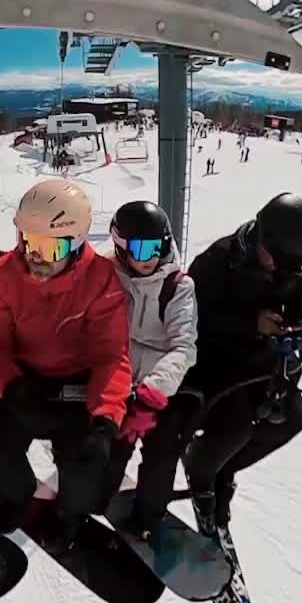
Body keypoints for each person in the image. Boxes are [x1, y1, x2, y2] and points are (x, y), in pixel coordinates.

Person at [0, 177, 131, 546]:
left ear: (76, 246)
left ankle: (70, 513)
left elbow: (111, 354)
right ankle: (19, 496)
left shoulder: (100, 280)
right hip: (27, 379)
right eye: (28, 242)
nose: (34, 257)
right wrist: (10, 386)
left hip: (77, 382)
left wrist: (105, 419)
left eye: (48, 247)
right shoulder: (4, 277)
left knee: (83, 465)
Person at [184, 193, 302, 537]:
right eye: (282, 264)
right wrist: (250, 323)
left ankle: (224, 469)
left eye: (296, 269)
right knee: (238, 423)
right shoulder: (216, 262)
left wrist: (298, 329)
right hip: (212, 361)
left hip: (260, 362)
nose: (288, 274)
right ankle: (202, 471)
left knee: (291, 418)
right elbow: (189, 321)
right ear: (262, 240)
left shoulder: (293, 273)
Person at [101, 200, 199, 539]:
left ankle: (149, 516)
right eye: (135, 250)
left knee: (161, 451)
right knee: (113, 441)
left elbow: (183, 347)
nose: (145, 259)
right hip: (120, 377)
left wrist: (152, 394)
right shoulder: (110, 274)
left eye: (153, 248)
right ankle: (98, 493)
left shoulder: (177, 287)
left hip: (162, 387)